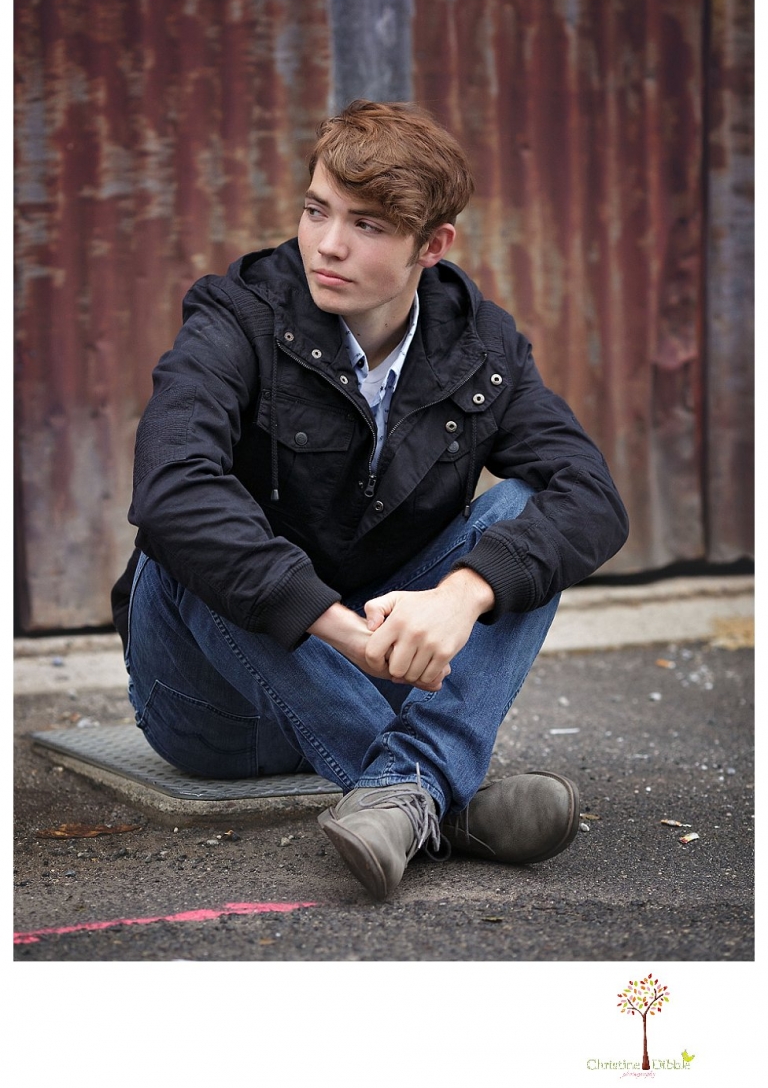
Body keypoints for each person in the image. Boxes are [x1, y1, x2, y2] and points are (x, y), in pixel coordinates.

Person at [111, 100, 629, 900]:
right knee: (191, 532)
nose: (328, 243)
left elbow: (592, 497)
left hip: (379, 667)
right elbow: (173, 488)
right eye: (317, 210)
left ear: (434, 245)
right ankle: (446, 796)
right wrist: (341, 631)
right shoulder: (237, 314)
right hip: (215, 706)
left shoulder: (480, 345)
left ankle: (402, 792)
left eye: (369, 225)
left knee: (526, 511)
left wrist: (466, 592)